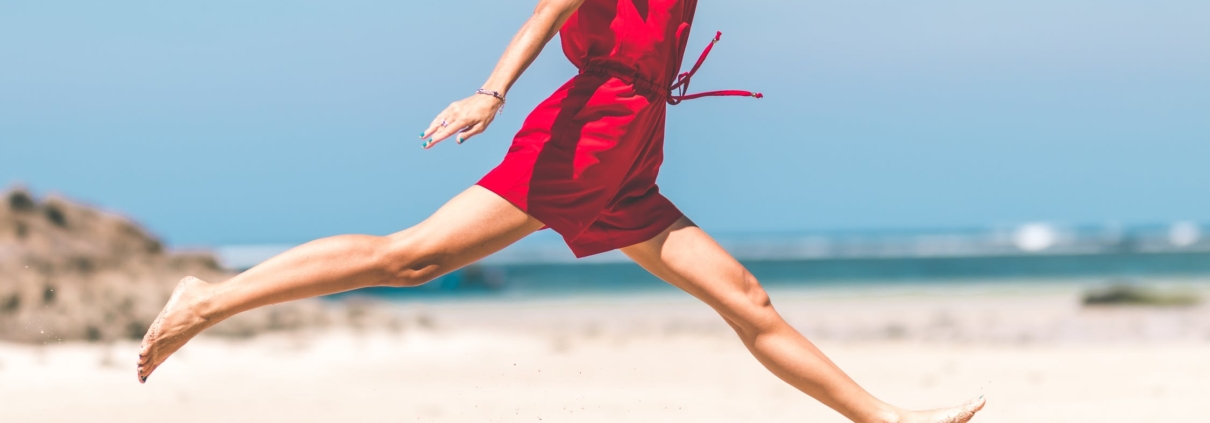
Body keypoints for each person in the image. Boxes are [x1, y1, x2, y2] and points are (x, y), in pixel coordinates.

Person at [137, 1, 985, 421]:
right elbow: (551, 5)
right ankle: (206, 297)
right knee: (414, 256)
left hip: (633, 141)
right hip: (588, 128)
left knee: (747, 299)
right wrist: (492, 91)